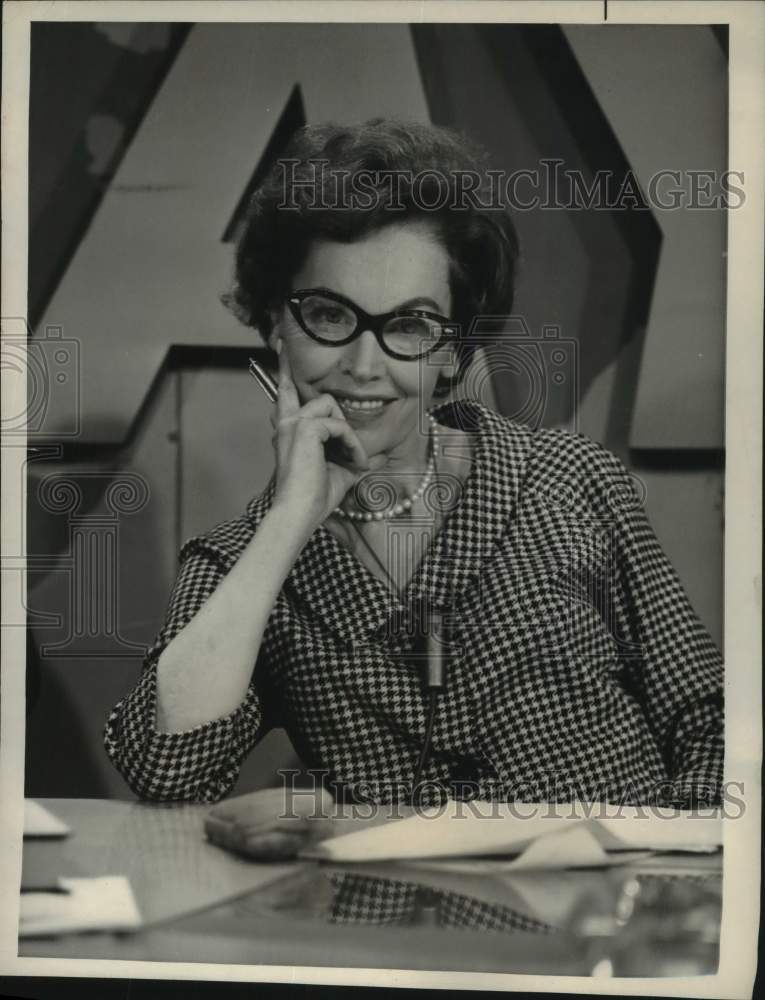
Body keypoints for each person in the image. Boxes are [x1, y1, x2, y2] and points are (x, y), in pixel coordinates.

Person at [104, 119, 723, 833]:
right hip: (403, 931)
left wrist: (673, 889)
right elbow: (167, 771)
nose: (365, 366)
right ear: (278, 326)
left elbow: (705, 724)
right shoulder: (239, 563)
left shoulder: (567, 477)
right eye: (329, 315)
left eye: (410, 326)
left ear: (454, 354)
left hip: (608, 915)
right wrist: (286, 523)